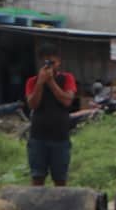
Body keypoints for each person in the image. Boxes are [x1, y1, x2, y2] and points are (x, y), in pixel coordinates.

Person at [25, 42, 77, 187]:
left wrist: (51, 82)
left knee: (60, 179)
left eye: (52, 62)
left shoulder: (67, 78)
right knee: (37, 178)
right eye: (45, 61)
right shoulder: (32, 81)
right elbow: (32, 104)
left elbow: (67, 101)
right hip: (38, 137)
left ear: (58, 62)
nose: (49, 65)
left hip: (60, 136)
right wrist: (41, 83)